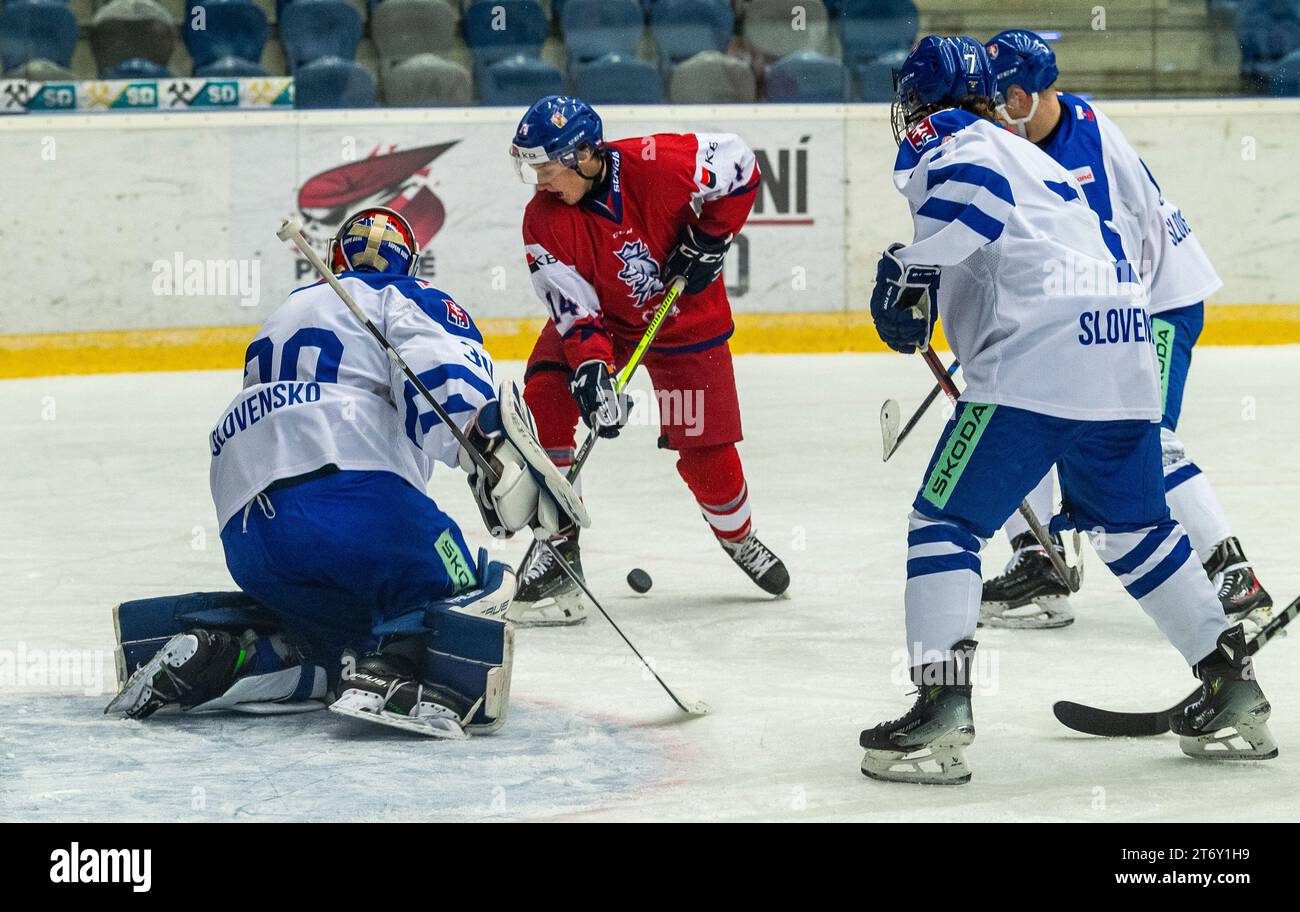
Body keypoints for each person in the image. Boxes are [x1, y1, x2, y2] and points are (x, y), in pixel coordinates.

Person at [857, 36, 1276, 784]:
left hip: (1035, 365)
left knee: (945, 522)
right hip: (1122, 353)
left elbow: (973, 204)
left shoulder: (950, 139)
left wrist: (909, 270)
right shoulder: (1035, 155)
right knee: (1134, 529)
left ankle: (941, 709)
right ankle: (1229, 684)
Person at [106, 206, 586, 739]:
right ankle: (395, 671)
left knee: (337, 643)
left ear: (334, 258)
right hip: (350, 497)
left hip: (249, 529)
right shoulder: (407, 296)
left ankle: (225, 655)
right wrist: (496, 462)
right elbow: (447, 383)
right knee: (474, 581)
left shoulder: (287, 312)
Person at [976, 29, 1273, 631]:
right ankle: (1040, 560)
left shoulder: (1083, 145)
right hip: (1104, 309)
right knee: (1021, 409)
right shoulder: (1037, 137)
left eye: (1005, 97)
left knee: (1150, 438)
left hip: (1157, 304)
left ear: (1034, 92)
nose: (998, 111)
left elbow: (1111, 260)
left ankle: (1231, 573)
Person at [505, 94, 790, 626]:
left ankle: (739, 538)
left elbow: (742, 165)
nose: (539, 180)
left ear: (583, 153)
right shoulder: (542, 220)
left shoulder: (661, 162)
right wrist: (592, 368)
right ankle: (560, 549)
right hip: (607, 326)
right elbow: (572, 308)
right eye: (532, 168)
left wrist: (711, 236)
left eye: (545, 167)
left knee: (707, 457)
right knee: (547, 393)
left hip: (686, 323)